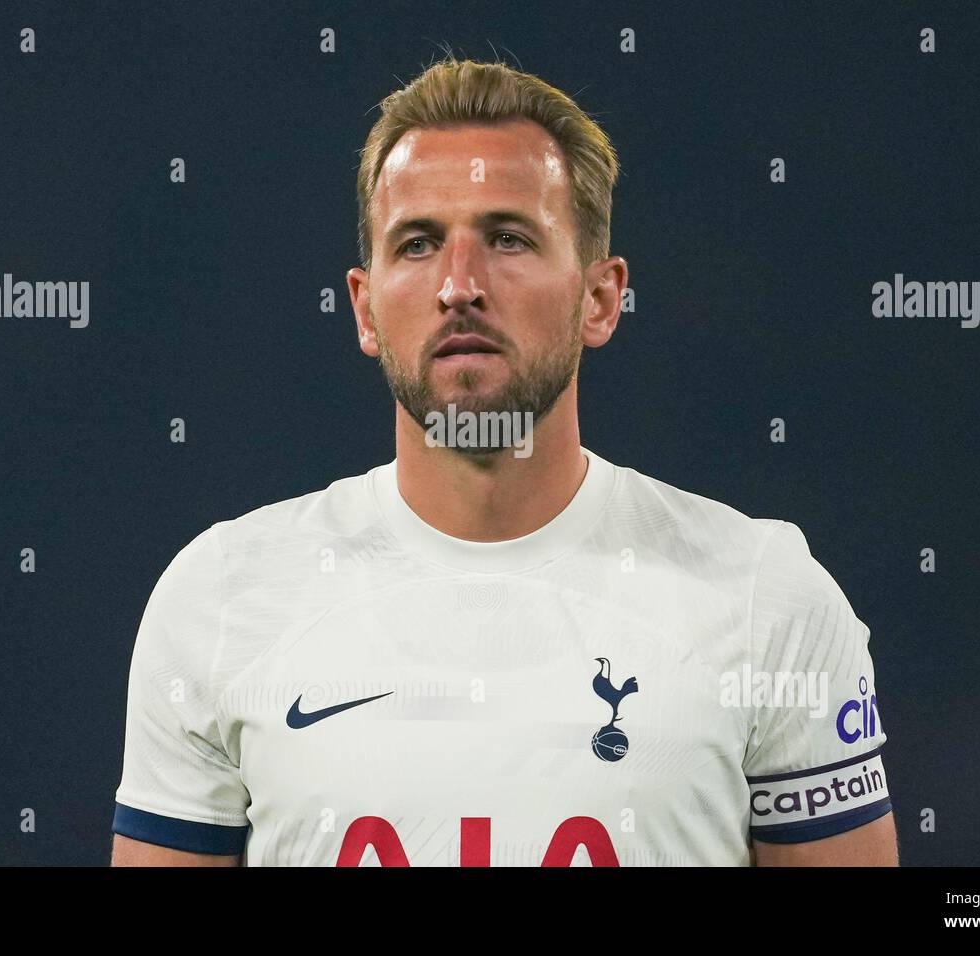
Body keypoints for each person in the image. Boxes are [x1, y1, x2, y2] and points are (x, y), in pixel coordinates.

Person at [111, 56, 897, 866]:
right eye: (417, 245)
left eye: (509, 238)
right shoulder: (223, 600)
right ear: (365, 307)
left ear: (601, 298)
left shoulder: (765, 600)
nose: (460, 285)